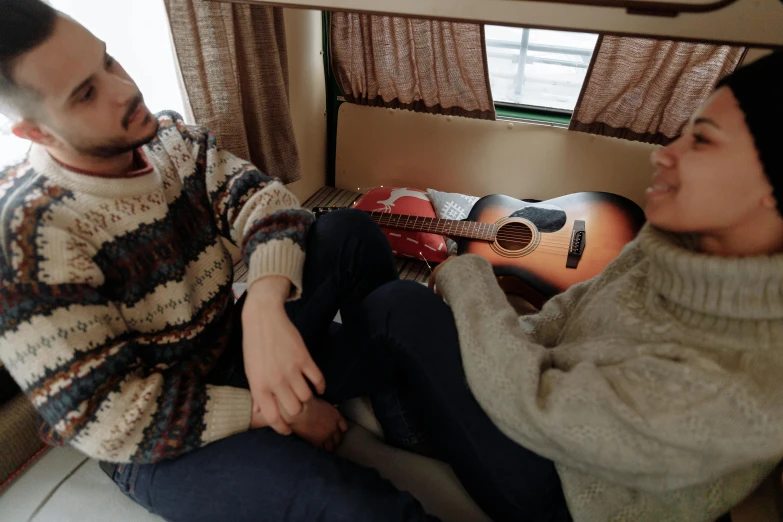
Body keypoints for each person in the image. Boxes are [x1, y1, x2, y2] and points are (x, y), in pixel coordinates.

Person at [0, 2, 437, 520]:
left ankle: (403, 421)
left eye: (109, 61)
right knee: (346, 502)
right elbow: (109, 418)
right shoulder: (24, 240)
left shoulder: (169, 139)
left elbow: (267, 201)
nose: (125, 90)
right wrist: (278, 410)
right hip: (155, 437)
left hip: (229, 349)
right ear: (38, 134)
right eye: (86, 93)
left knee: (348, 231)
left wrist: (265, 306)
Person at [358, 51, 783, 522]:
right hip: (541, 403)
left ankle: (326, 400)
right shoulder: (673, 245)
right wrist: (495, 338)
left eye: (701, 140)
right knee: (349, 234)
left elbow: (542, 408)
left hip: (568, 490)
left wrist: (467, 282)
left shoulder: (747, 381)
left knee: (399, 305)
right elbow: (567, 312)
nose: (662, 153)